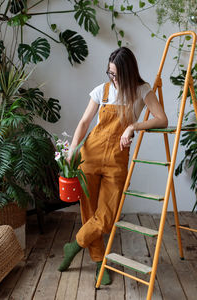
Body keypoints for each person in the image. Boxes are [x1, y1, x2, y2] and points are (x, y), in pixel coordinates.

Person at [58, 47, 168, 285]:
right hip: (90, 156)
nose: (113, 78)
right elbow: (85, 122)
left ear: (129, 72)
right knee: (90, 213)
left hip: (116, 162)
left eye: (117, 74)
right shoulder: (102, 90)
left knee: (106, 218)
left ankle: (74, 245)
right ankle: (99, 263)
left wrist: (133, 127)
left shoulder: (142, 90)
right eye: (110, 73)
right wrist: (72, 150)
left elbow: (162, 118)